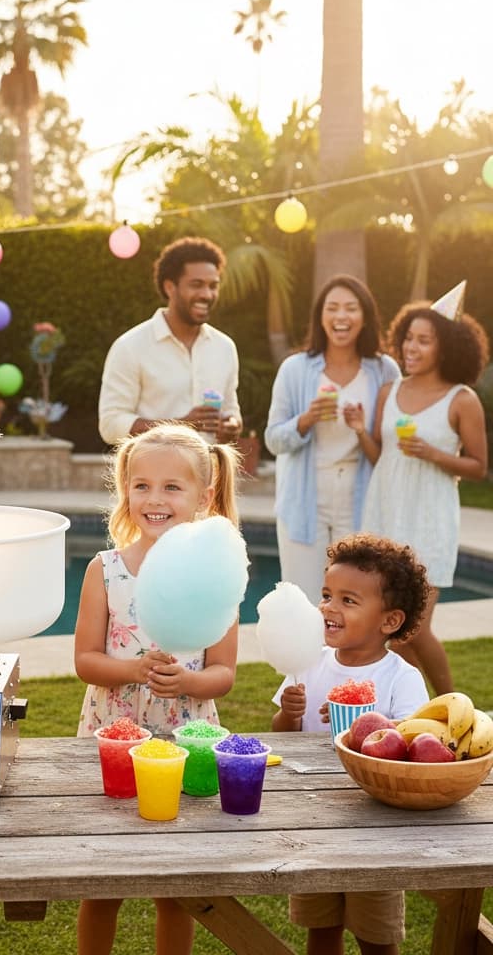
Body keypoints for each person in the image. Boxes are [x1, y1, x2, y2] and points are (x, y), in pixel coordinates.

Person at [75, 422, 241, 955]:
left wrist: (187, 681)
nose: (155, 499)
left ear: (204, 496)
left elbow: (224, 673)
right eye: (141, 485)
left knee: (178, 887)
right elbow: (85, 660)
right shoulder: (104, 570)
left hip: (184, 739)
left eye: (173, 487)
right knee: (103, 882)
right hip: (114, 737)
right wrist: (134, 670)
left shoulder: (217, 574)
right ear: (125, 491)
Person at [273, 533, 431, 955]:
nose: (328, 607)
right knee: (320, 928)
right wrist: (288, 712)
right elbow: (280, 736)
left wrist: (367, 726)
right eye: (326, 595)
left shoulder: (401, 677)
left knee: (375, 935)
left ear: (389, 621)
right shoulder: (308, 661)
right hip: (314, 817)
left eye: (348, 600)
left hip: (374, 824)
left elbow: (415, 743)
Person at [359, 289, 488, 694]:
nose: (410, 347)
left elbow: (478, 467)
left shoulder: (461, 400)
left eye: (423, 340)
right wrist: (357, 432)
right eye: (408, 338)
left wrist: (432, 453)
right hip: (385, 515)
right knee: (392, 632)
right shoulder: (388, 392)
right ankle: (421, 707)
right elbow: (381, 455)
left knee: (413, 628)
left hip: (430, 520)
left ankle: (453, 701)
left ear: (445, 347)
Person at [264, 275, 399, 602]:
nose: (342, 316)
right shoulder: (295, 369)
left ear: (365, 316)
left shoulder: (385, 371)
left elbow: (389, 452)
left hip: (361, 498)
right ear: (320, 317)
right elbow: (273, 440)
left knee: (357, 599)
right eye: (333, 308)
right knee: (302, 601)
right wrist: (306, 420)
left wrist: (359, 428)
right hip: (304, 499)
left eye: (351, 308)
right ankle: (305, 656)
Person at [97, 236, 241, 446]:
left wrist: (231, 426)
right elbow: (111, 425)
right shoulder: (130, 347)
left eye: (213, 286)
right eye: (196, 285)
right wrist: (180, 425)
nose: (207, 294)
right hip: (154, 475)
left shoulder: (224, 347)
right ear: (169, 287)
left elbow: (232, 412)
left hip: (209, 475)